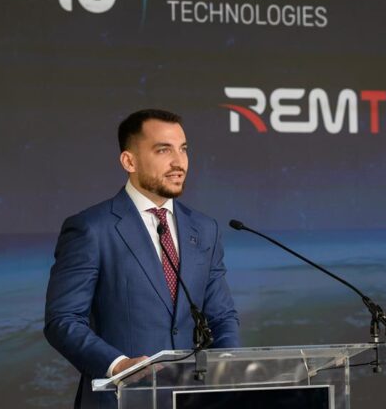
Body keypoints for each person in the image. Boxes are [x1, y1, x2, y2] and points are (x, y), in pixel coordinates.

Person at [44, 109, 240, 408]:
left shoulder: (205, 229)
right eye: (163, 150)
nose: (179, 162)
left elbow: (222, 316)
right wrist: (119, 366)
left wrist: (226, 366)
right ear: (129, 161)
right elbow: (63, 320)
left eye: (183, 149)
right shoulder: (91, 228)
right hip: (119, 399)